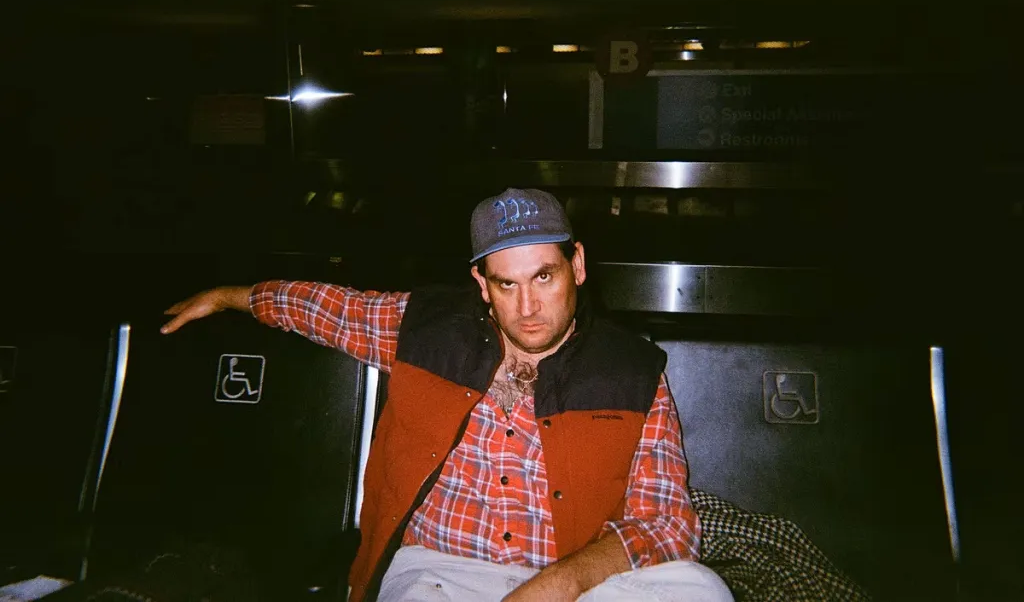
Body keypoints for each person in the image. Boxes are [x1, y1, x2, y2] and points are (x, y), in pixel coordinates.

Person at [161, 188, 733, 602]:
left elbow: (667, 523)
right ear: (482, 285)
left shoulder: (631, 370)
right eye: (506, 284)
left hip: (573, 579)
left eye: (544, 277)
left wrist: (558, 585)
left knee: (701, 591)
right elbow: (324, 308)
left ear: (577, 265)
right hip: (439, 575)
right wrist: (230, 296)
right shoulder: (425, 329)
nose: (528, 307)